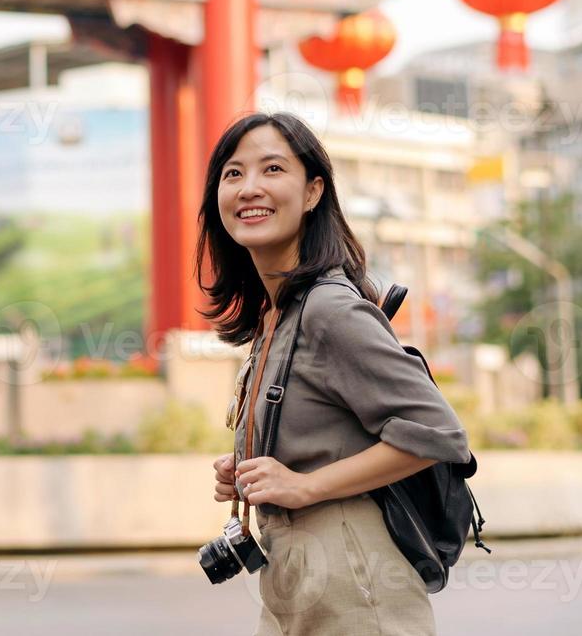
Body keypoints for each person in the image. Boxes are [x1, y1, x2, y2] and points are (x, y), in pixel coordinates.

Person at [200, 111, 471, 636]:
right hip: (292, 578)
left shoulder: (329, 309)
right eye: (233, 174)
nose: (249, 187)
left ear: (312, 192)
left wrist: (304, 485)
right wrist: (258, 467)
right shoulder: (277, 316)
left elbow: (439, 434)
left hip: (352, 577)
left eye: (272, 169)